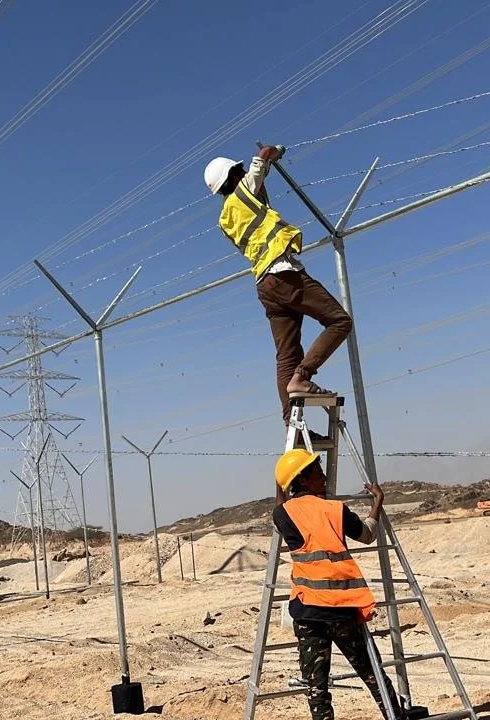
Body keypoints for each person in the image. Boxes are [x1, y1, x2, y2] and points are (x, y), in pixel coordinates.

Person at [271, 449, 430, 720]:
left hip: (308, 612)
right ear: (303, 479)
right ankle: (396, 717)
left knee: (316, 689)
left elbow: (282, 503)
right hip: (342, 610)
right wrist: (377, 502)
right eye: (317, 472)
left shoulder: (282, 514)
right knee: (373, 675)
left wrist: (282, 481)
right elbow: (367, 534)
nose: (324, 477)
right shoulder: (335, 510)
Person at [204, 146, 353, 435]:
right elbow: (258, 170)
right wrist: (269, 153)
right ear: (232, 176)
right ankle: (303, 377)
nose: (244, 172)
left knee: (286, 355)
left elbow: (257, 191)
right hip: (283, 273)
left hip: (264, 285)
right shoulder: (240, 196)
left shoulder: (226, 218)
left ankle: (291, 425)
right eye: (239, 170)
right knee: (339, 320)